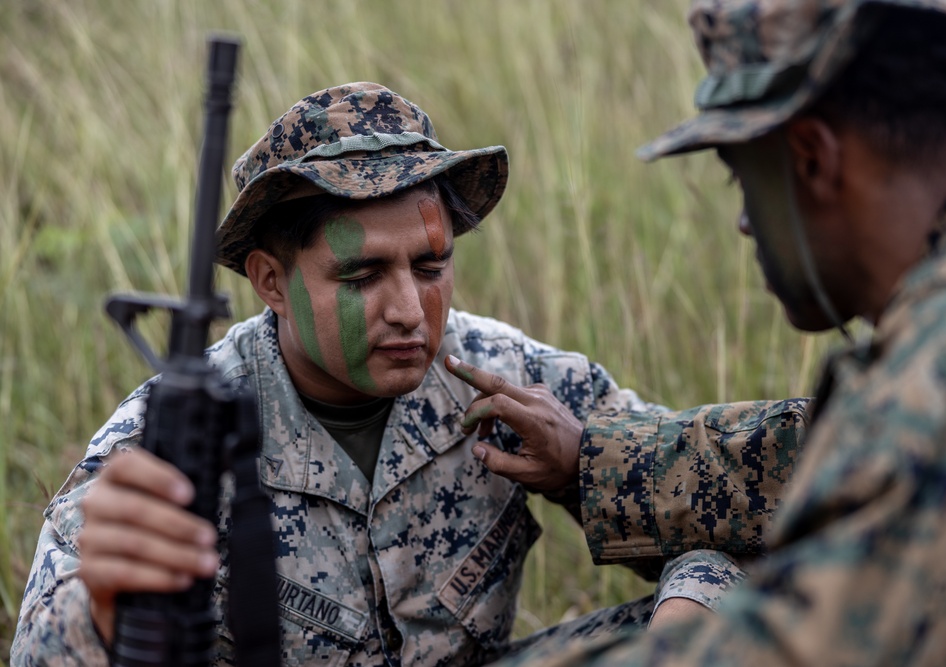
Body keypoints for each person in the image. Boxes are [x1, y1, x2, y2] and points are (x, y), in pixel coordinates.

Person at [11, 83, 810, 666]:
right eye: (361, 278)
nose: (408, 310)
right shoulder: (173, 435)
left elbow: (748, 519)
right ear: (270, 281)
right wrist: (109, 611)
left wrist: (594, 489)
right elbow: (42, 652)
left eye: (431, 265)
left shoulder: (500, 374)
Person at [445, 0, 946, 664]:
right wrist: (594, 460)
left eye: (744, 179)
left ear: (812, 160)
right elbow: (800, 451)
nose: (744, 222)